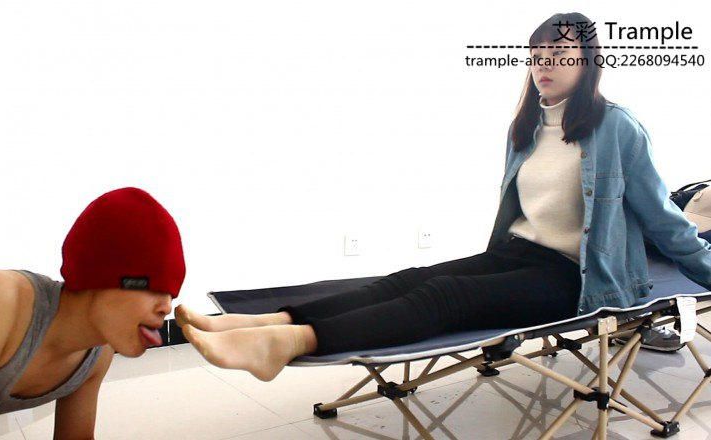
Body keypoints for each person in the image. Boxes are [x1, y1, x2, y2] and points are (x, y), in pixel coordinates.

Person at [174, 12, 711, 382]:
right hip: (518, 255)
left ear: (588, 62)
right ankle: (269, 322)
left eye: (559, 53)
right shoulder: (526, 128)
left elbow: (664, 220)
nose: (544, 63)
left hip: (576, 277)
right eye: (537, 54)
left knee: (443, 297)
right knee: (406, 280)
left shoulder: (618, 129)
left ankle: (288, 343)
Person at [0, 187, 186, 438]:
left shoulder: (97, 355)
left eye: (171, 294)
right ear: (100, 275)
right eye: (154, 287)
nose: (166, 307)